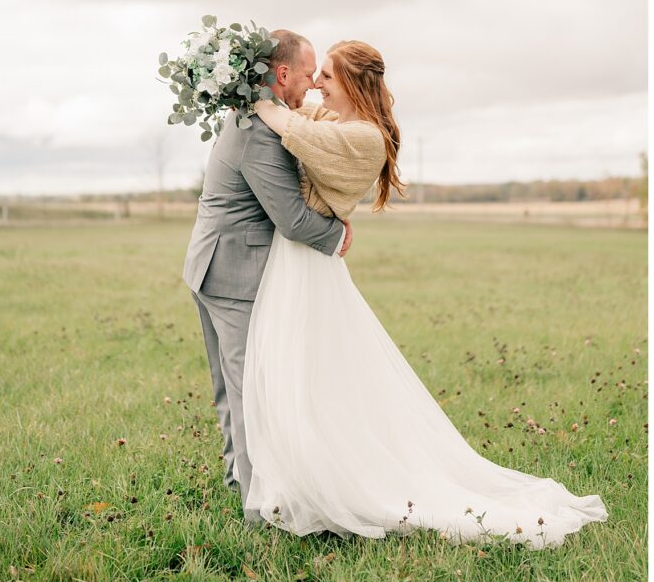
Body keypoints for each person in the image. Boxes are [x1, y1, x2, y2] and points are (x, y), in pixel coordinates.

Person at [242, 40, 609, 548]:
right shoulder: (334, 119)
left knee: (311, 371)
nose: (319, 83)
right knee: (301, 371)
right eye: (318, 74)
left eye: (327, 75)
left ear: (351, 83)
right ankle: (300, 475)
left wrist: (254, 100)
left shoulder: (364, 137)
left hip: (308, 260)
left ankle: (333, 481)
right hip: (298, 258)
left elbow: (295, 129)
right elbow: (301, 111)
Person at [181, 30, 352, 523]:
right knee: (245, 389)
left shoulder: (251, 114)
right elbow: (290, 217)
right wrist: (338, 235)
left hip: (211, 264)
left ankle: (241, 478)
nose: (312, 85)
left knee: (229, 386)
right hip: (233, 274)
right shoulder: (259, 131)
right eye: (306, 74)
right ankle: (257, 504)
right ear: (281, 74)